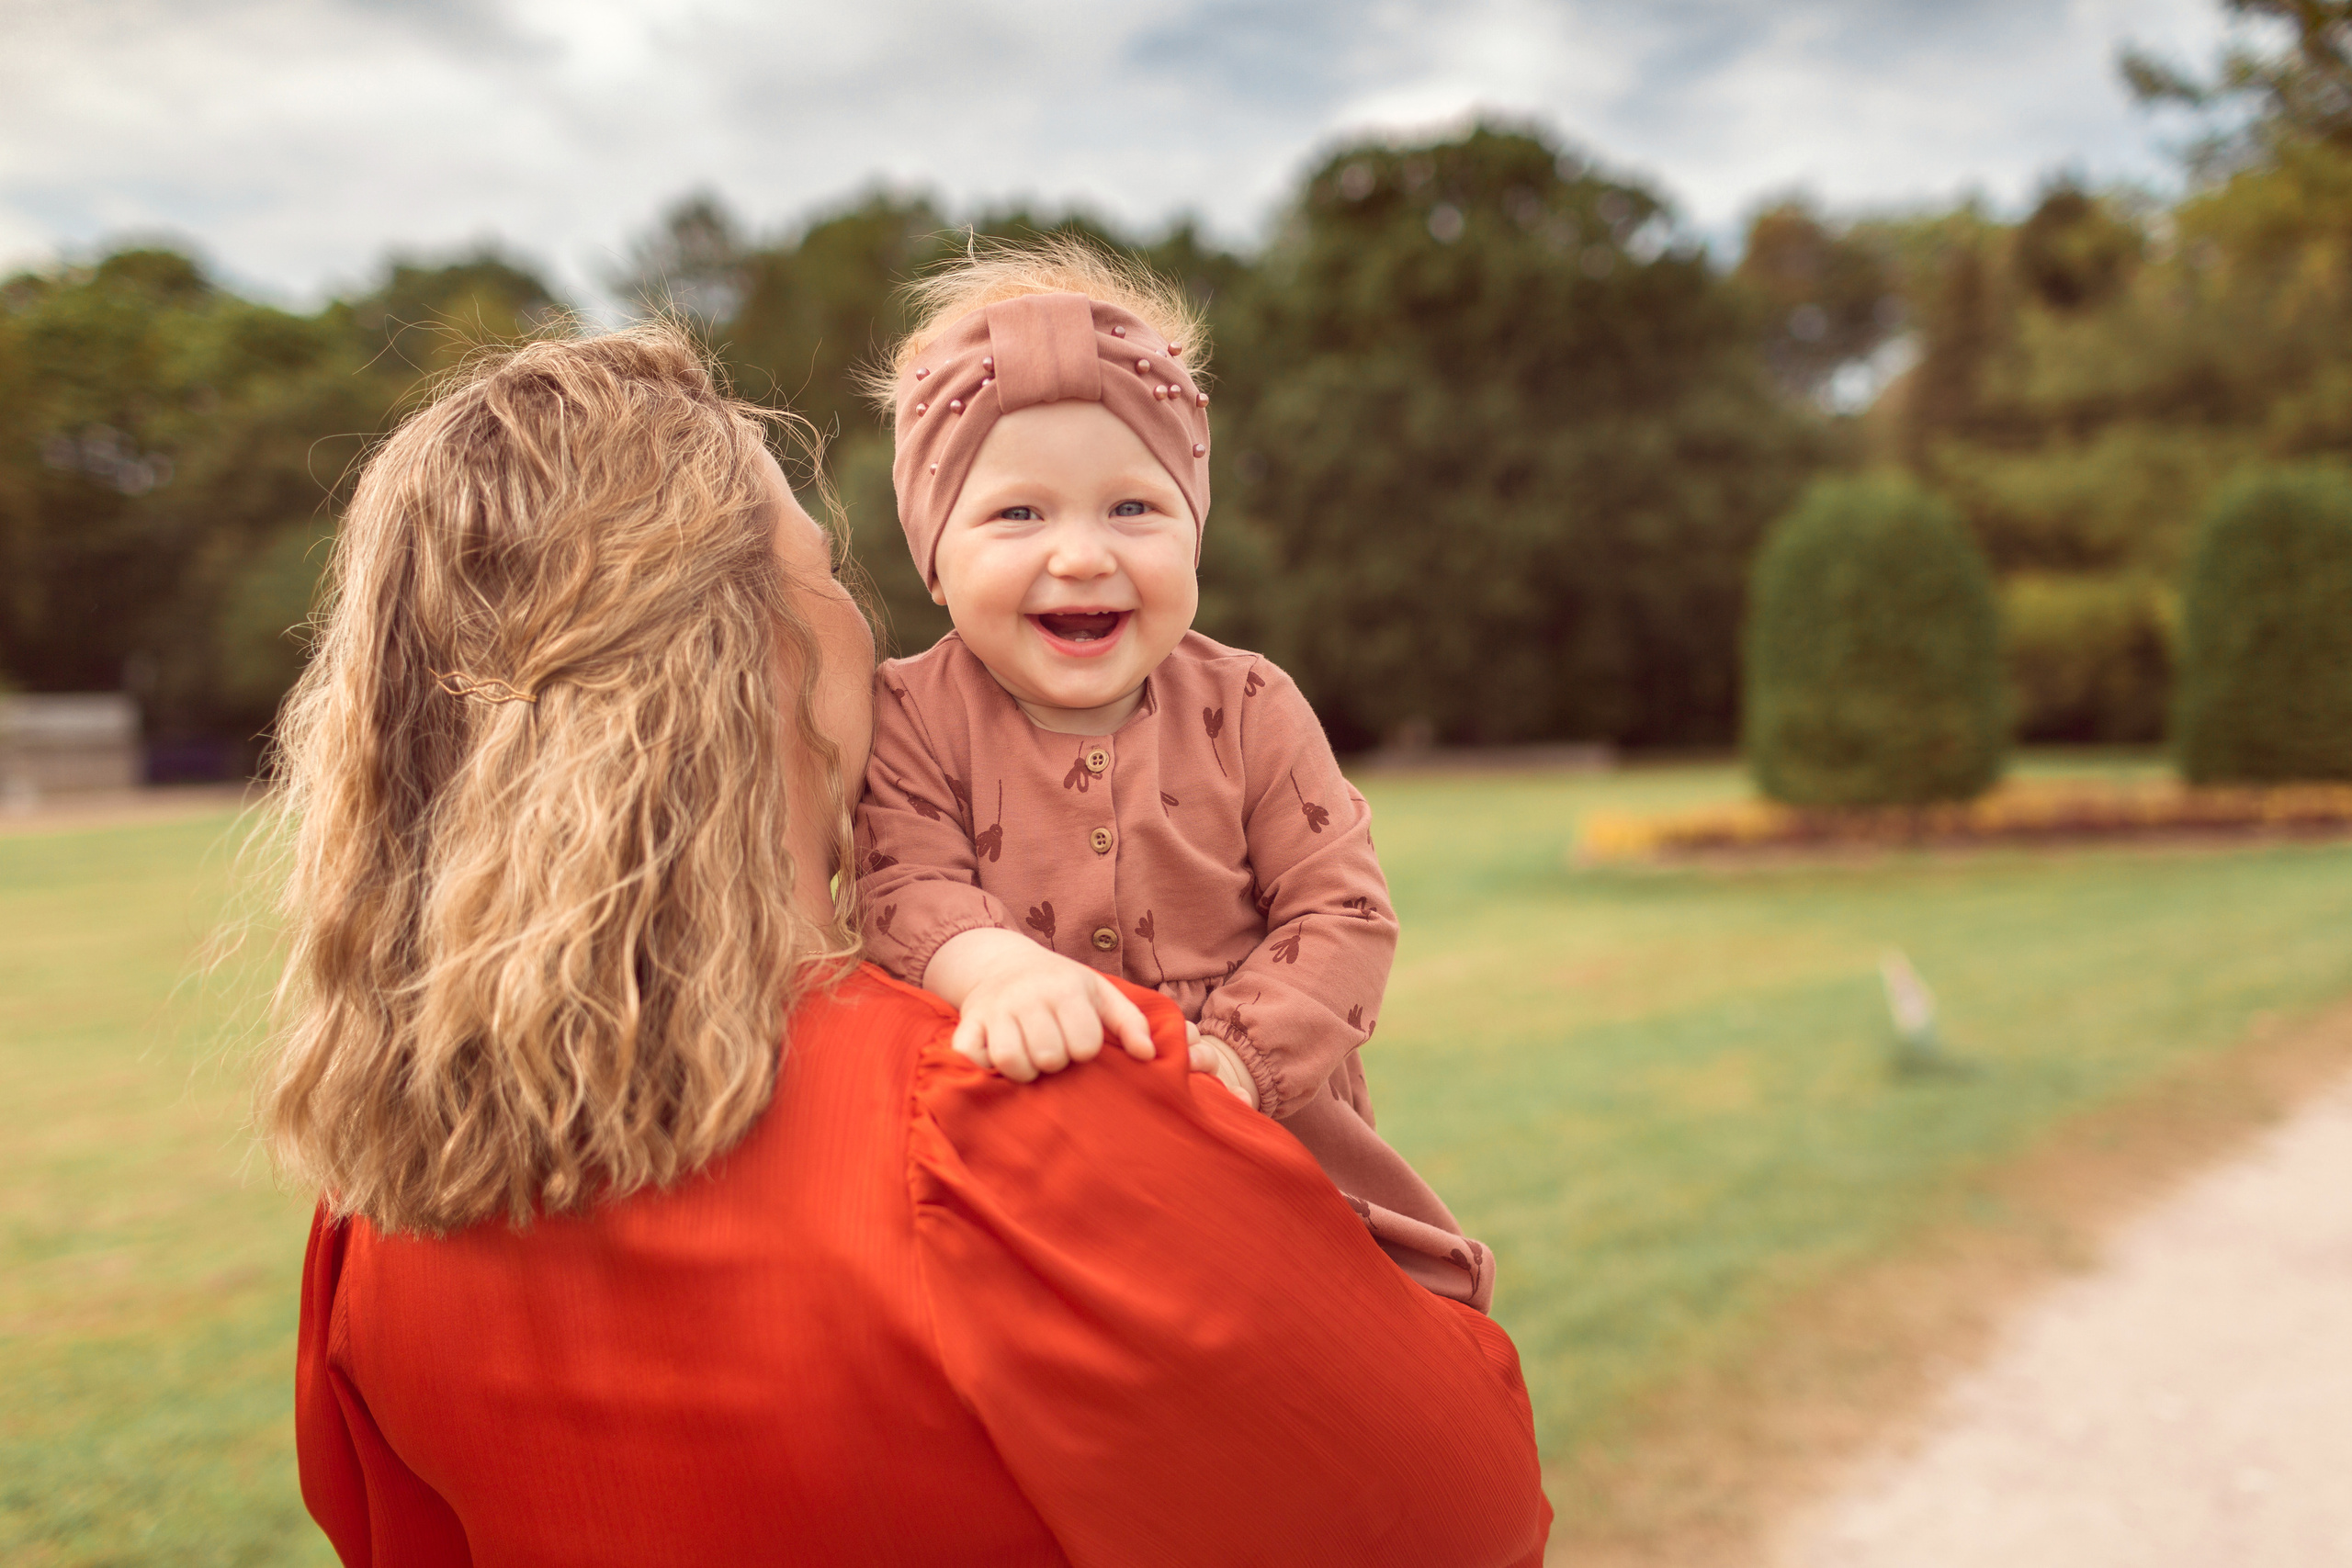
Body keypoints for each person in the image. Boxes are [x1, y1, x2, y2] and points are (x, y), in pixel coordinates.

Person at [261, 324, 1553, 1565]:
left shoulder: (381, 1210)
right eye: (825, 564)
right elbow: (1465, 1513)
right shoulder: (1004, 1133)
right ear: (756, 648)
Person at [854, 241, 1490, 1307]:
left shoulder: (1248, 706)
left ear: (1192, 525)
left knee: (1356, 1352)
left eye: (1131, 508)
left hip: (1267, 1137)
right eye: (1018, 513)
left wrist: (1238, 1056)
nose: (1081, 554)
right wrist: (998, 974)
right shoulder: (912, 713)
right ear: (935, 549)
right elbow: (901, 882)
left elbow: (1342, 910)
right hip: (1028, 1143)